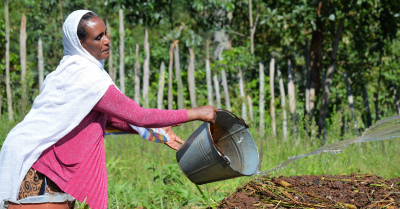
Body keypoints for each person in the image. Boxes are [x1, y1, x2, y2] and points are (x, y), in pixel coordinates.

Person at [0, 10, 217, 209]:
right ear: (80, 43)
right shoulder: (87, 78)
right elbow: (139, 115)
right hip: (42, 167)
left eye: (105, 33)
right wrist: (196, 113)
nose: (107, 41)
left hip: (45, 162)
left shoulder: (67, 72)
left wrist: (155, 132)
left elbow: (105, 120)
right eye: (98, 37)